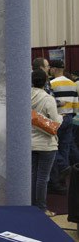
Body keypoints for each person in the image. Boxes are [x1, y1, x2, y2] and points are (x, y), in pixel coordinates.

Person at [31, 69, 63, 217]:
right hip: (46, 145)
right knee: (43, 178)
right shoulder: (48, 99)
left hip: (29, 144)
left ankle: (30, 206)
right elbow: (55, 123)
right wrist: (62, 118)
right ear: (45, 81)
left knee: (32, 176)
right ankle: (42, 208)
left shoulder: (24, 97)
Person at [48, 59, 79, 194]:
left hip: (57, 119)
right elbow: (76, 106)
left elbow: (51, 103)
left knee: (53, 148)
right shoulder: (72, 84)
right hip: (70, 118)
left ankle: (58, 175)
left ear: (53, 69)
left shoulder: (51, 84)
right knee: (65, 149)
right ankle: (62, 182)